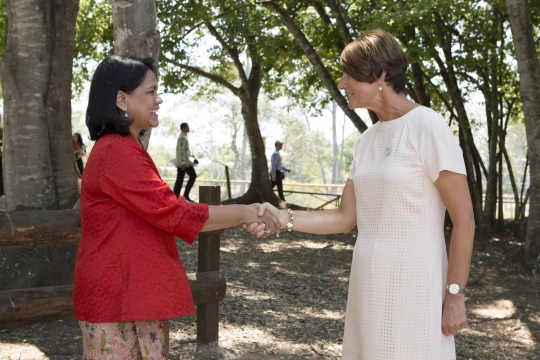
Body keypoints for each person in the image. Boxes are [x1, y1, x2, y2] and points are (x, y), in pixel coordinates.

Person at [246, 30, 475, 360]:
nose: (341, 83)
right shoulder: (367, 141)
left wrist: (455, 294)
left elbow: (465, 219)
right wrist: (285, 218)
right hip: (368, 283)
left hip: (415, 284)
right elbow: (344, 217)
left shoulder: (428, 126)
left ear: (381, 75)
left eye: (349, 74)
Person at [74, 55, 279, 360]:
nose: (159, 100)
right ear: (121, 99)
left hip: (134, 293)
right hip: (115, 297)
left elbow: (164, 212)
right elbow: (174, 213)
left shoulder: (125, 149)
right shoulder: (117, 152)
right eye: (150, 92)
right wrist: (245, 212)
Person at [174, 122, 198, 202]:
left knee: (179, 180)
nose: (188, 128)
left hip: (184, 162)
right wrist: (183, 163)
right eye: (187, 127)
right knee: (192, 176)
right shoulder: (182, 138)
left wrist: (192, 156)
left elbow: (185, 150)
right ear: (183, 128)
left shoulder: (184, 136)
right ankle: (184, 195)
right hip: (183, 163)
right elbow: (181, 151)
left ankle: (176, 197)